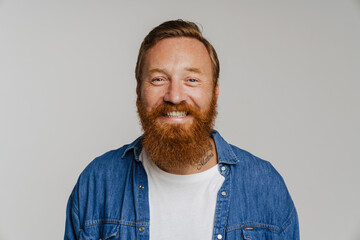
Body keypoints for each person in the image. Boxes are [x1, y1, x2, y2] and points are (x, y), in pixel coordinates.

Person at [65, 20, 299, 240]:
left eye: (192, 80)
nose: (174, 96)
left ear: (214, 92)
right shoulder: (97, 182)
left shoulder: (265, 186)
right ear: (139, 91)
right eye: (158, 79)